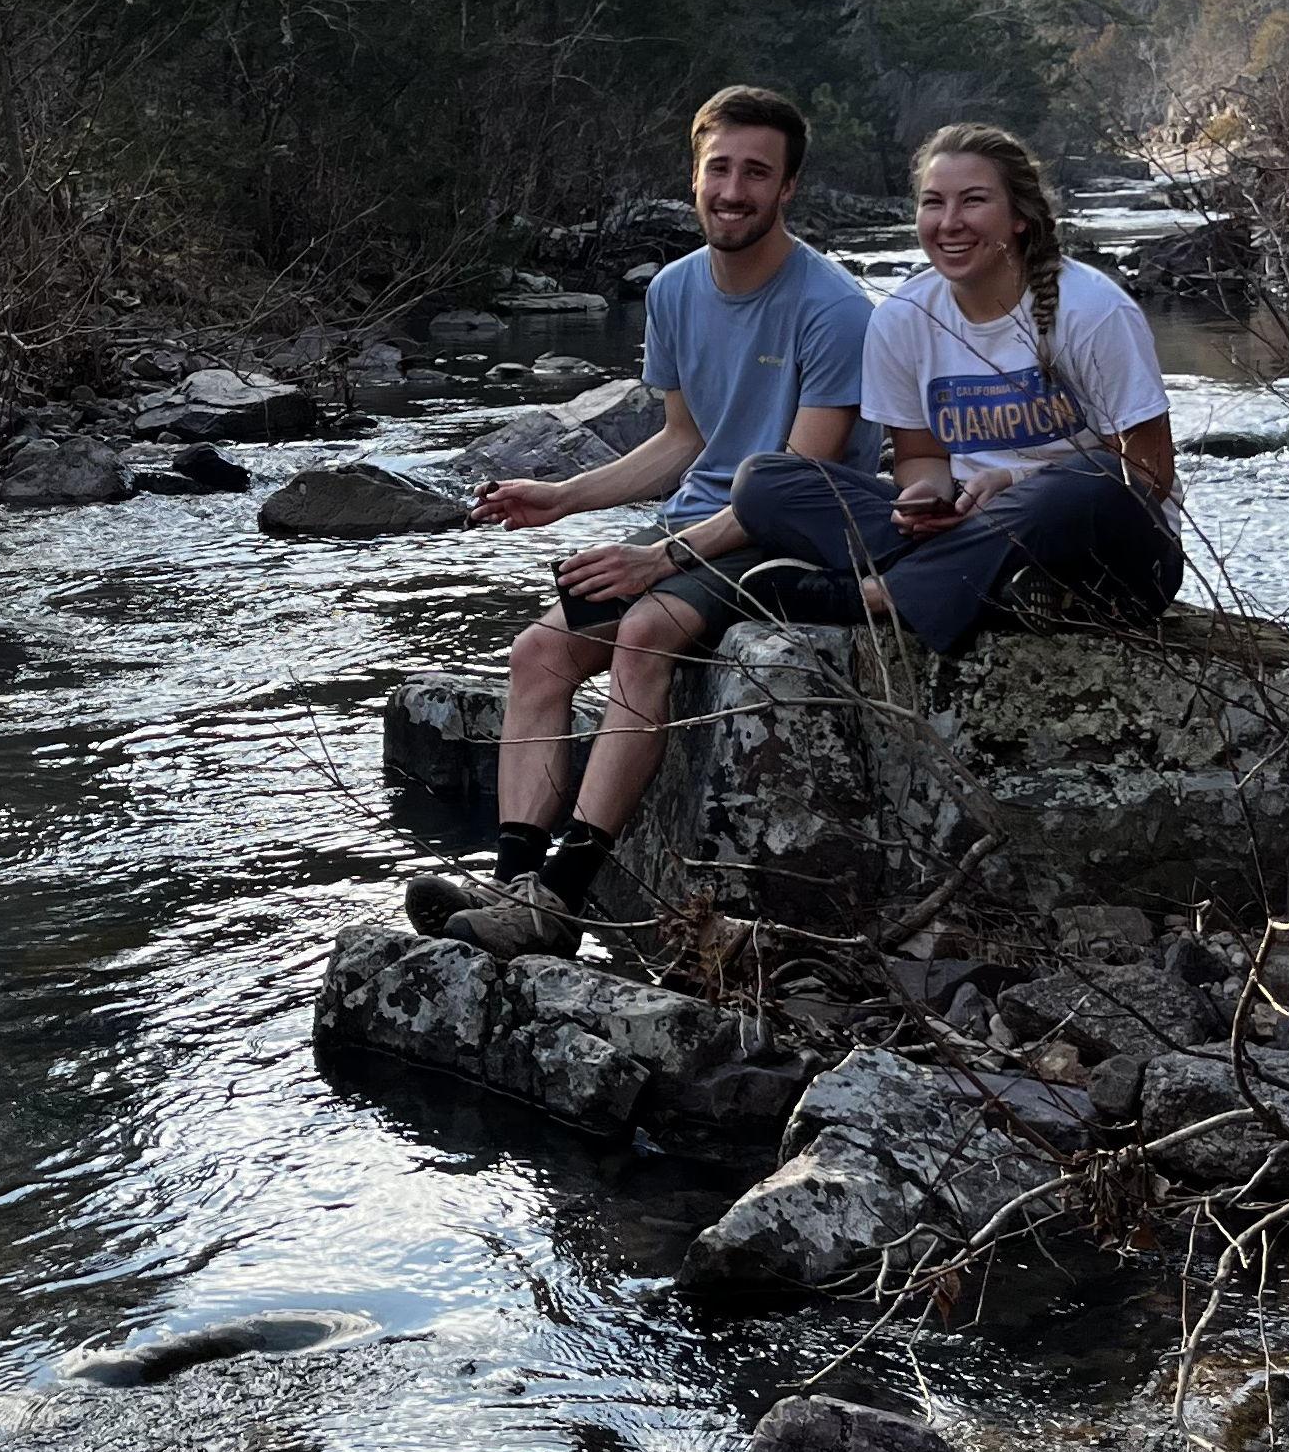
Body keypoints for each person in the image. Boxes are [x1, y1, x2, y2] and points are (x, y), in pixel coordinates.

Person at [410, 85, 876, 959]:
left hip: (787, 536)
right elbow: (683, 441)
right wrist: (565, 496)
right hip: (697, 524)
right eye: (720, 169)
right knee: (538, 654)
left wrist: (657, 559)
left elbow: (796, 483)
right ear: (696, 176)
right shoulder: (673, 290)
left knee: (648, 629)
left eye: (757, 174)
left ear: (788, 190)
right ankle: (515, 879)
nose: (733, 191)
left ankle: (565, 896)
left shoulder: (837, 309)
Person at [727, 120, 1185, 652]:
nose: (949, 223)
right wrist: (928, 496)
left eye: (972, 202)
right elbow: (920, 456)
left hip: (1112, 553)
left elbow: (1147, 474)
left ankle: (874, 598)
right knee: (763, 481)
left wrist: (1012, 481)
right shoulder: (902, 318)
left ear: (1019, 217)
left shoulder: (1093, 311)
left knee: (1102, 476)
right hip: (973, 526)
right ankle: (999, 588)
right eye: (933, 203)